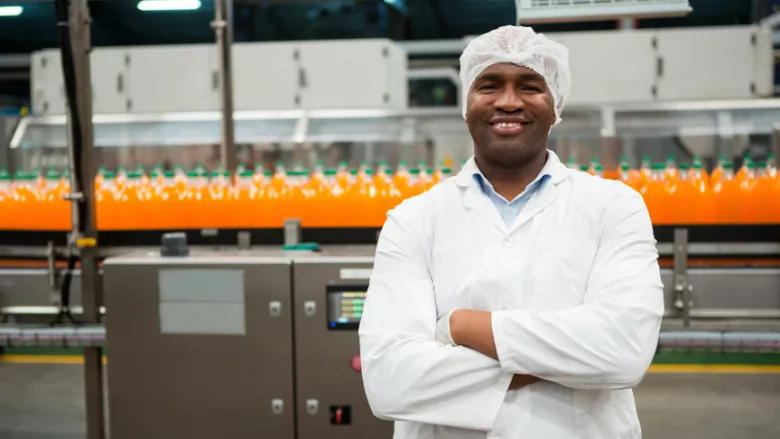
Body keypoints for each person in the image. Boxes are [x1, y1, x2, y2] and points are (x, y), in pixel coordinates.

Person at [358, 25, 664, 439]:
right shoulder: (412, 219)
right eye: (489, 85)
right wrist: (558, 360)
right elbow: (389, 381)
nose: (508, 101)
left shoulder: (614, 206)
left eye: (530, 86)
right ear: (466, 105)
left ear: (555, 104)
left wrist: (460, 327)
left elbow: (623, 352)